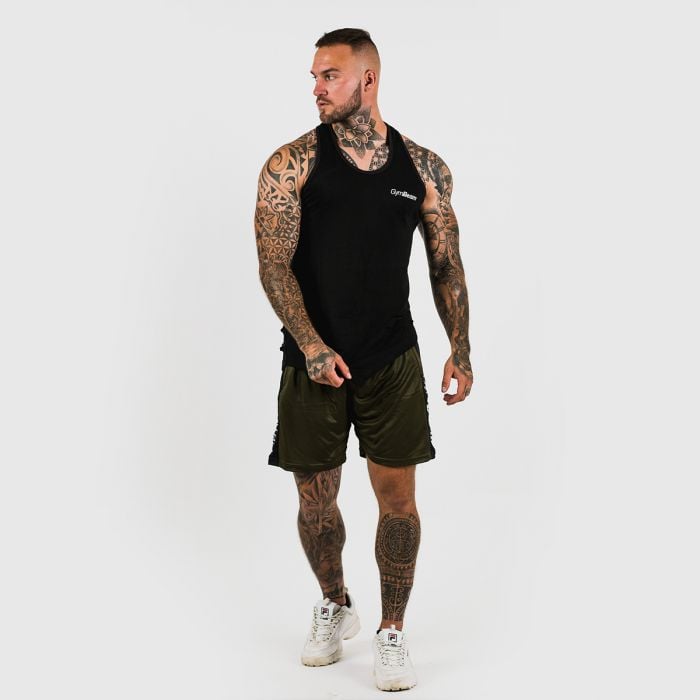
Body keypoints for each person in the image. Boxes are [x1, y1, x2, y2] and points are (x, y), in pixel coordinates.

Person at [254, 27, 473, 692]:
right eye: (314, 77)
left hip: (391, 361)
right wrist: (312, 344)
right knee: (315, 503)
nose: (317, 88)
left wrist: (461, 347)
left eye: (330, 76)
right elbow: (274, 265)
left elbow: (445, 265)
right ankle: (335, 602)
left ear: (367, 80)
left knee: (398, 503)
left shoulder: (424, 169)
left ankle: (392, 631)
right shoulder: (291, 164)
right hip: (312, 362)